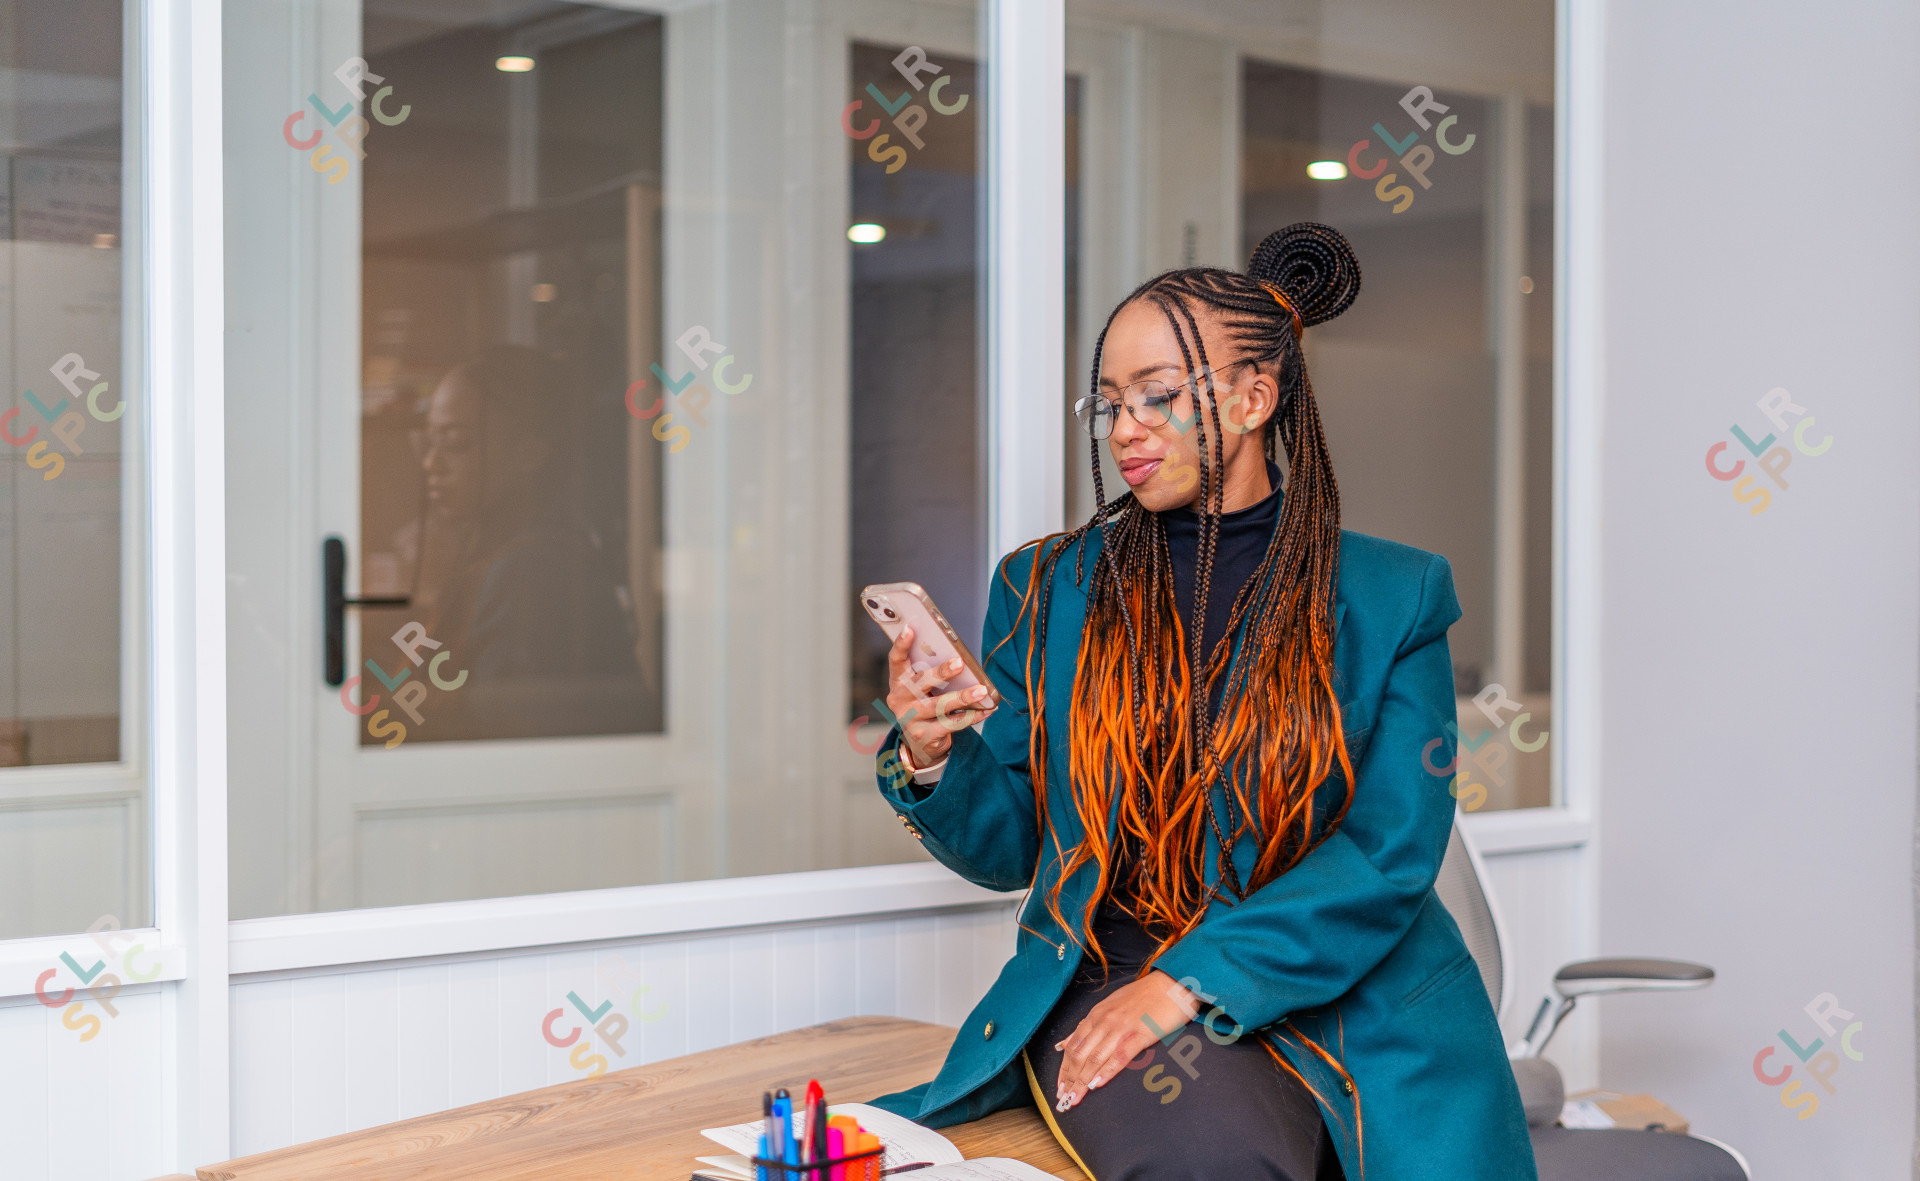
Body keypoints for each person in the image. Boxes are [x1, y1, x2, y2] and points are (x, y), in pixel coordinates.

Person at [862, 224, 1535, 1180]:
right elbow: (1012, 848)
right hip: (1119, 975)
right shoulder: (1046, 588)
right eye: (1110, 402)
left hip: (1359, 995)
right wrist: (934, 756)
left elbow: (1387, 852)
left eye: (1159, 396)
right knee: (1213, 1160)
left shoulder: (1395, 596)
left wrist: (1192, 978)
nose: (1124, 429)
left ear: (1255, 399)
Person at [398, 344, 651, 740]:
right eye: (428, 441)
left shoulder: (534, 575)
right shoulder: (512, 558)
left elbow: (493, 735)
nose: (432, 463)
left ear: (530, 454)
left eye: (456, 443)